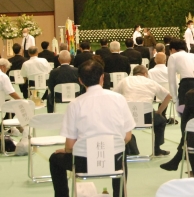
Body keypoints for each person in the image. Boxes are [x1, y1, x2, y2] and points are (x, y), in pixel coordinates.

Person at [49, 60, 135, 197]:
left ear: (80, 81)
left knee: (55, 159)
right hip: (114, 162)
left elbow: (70, 146)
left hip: (83, 163)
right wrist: (108, 148)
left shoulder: (75, 104)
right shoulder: (119, 99)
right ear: (102, 77)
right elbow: (127, 137)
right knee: (120, 153)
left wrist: (66, 150)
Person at [114, 65, 171, 156]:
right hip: (147, 117)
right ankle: (157, 149)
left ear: (133, 73)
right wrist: (159, 112)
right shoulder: (151, 82)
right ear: (145, 74)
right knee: (161, 120)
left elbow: (114, 96)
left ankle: (130, 148)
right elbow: (168, 96)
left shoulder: (125, 80)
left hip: (127, 118)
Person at [167, 38, 194, 112]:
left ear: (172, 49)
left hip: (186, 84)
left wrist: (175, 98)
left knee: (184, 113)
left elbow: (172, 79)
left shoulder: (173, 56)